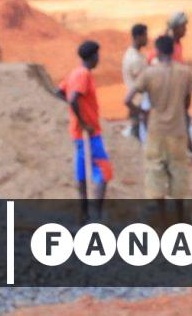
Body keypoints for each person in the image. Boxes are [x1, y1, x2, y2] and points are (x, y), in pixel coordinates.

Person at [126, 35, 192, 218]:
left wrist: (143, 112)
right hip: (178, 130)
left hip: (156, 130)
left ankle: (162, 217)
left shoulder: (149, 73)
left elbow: (128, 100)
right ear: (173, 50)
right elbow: (187, 104)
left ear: (156, 51)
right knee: (179, 171)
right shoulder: (185, 72)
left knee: (155, 172)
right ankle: (180, 218)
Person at [57, 40, 112, 222]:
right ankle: (96, 215)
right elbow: (73, 98)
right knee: (104, 171)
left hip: (78, 133)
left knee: (82, 172)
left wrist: (76, 116)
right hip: (89, 133)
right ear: (93, 56)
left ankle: (84, 214)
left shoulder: (74, 73)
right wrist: (83, 122)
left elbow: (60, 92)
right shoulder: (84, 75)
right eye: (98, 55)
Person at [122, 23, 149, 141]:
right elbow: (144, 82)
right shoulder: (135, 59)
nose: (147, 38)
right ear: (138, 37)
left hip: (137, 101)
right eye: (145, 35)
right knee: (138, 137)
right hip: (139, 103)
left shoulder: (134, 54)